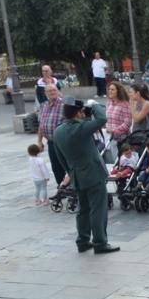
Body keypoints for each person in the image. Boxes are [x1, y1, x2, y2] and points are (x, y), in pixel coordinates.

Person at [53, 96, 119, 254]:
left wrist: (70, 172)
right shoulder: (80, 129)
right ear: (77, 112)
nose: (84, 113)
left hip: (77, 175)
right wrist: (94, 105)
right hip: (93, 175)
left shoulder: (58, 131)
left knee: (83, 210)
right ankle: (100, 242)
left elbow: (60, 158)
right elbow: (102, 118)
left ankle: (82, 241)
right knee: (98, 209)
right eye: (82, 111)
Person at [37, 83, 67, 185]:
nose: (52, 93)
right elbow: (41, 125)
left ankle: (71, 189)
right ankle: (61, 188)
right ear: (45, 93)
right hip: (51, 142)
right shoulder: (43, 105)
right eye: (49, 91)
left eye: (54, 90)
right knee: (56, 167)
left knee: (66, 165)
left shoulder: (64, 105)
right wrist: (39, 141)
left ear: (58, 91)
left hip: (63, 142)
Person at [130, 83, 149, 148]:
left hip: (147, 135)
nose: (130, 94)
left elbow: (137, 119)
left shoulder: (147, 104)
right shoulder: (136, 103)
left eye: (131, 92)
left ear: (138, 93)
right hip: (137, 133)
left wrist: (131, 105)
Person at [105, 81, 133, 145]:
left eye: (112, 89)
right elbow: (106, 119)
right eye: (109, 89)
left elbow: (128, 123)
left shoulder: (125, 104)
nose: (110, 91)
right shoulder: (108, 103)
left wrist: (115, 131)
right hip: (109, 139)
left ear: (118, 91)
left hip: (122, 140)